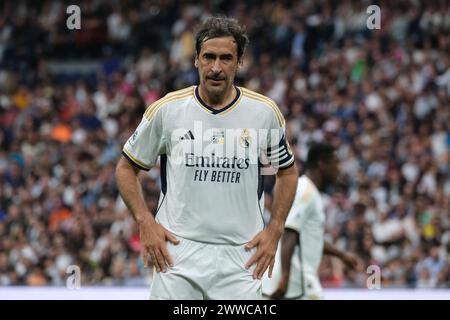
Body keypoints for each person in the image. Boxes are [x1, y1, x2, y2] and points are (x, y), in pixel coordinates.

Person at [115, 16, 298, 300]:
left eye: (226, 58)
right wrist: (144, 221)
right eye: (208, 57)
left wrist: (275, 230)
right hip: (177, 255)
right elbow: (126, 168)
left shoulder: (263, 113)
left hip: (242, 258)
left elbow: (286, 172)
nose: (216, 67)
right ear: (196, 60)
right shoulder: (168, 110)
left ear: (239, 63)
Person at [262, 143, 359, 300]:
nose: (338, 169)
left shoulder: (312, 193)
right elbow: (289, 233)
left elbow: (308, 239)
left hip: (297, 281)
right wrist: (285, 278)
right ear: (322, 164)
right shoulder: (304, 191)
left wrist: (341, 255)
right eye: (335, 163)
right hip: (296, 282)